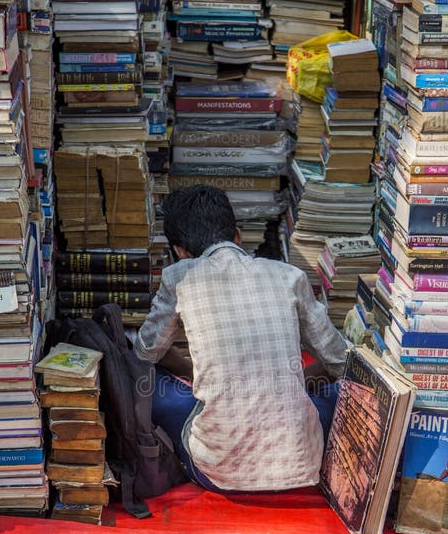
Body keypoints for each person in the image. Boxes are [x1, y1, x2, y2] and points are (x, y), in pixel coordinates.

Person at [134, 185, 349, 493]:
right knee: (334, 392)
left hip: (217, 473)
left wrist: (190, 371)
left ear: (179, 251)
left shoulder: (179, 276)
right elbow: (339, 359)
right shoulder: (290, 276)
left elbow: (146, 352)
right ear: (237, 235)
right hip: (302, 465)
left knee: (149, 385)